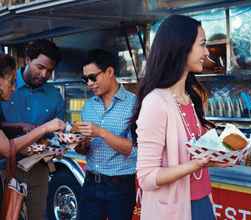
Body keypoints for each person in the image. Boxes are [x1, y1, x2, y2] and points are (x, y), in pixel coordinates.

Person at [130, 15, 230, 220]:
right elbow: (147, 177)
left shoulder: (190, 98)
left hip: (202, 202)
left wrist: (216, 157)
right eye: (202, 45)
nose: (207, 51)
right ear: (181, 47)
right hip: (174, 210)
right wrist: (196, 164)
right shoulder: (156, 102)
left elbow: (192, 154)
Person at [0, 39, 64, 220]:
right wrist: (43, 129)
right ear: (27, 60)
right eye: (40, 67)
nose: (44, 74)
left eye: (50, 71)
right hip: (5, 168)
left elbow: (58, 136)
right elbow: (5, 146)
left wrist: (56, 147)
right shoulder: (6, 84)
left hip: (38, 169)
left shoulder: (54, 96)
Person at [76, 49, 137, 220]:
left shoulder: (134, 104)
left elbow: (135, 150)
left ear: (110, 72)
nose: (89, 83)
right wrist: (81, 145)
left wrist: (101, 132)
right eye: (85, 79)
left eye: (93, 77)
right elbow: (85, 150)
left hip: (121, 185)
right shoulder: (88, 106)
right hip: (90, 182)